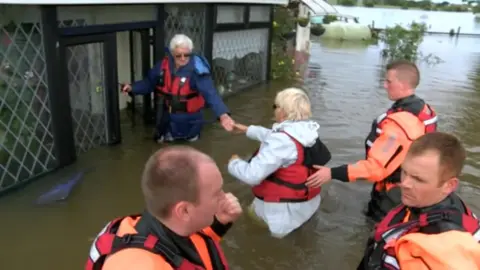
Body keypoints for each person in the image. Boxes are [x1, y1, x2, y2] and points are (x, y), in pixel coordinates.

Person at [306, 60, 438, 222]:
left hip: (394, 195)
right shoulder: (424, 109)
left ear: (403, 84)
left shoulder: (399, 125)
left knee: (378, 234)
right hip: (412, 188)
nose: (384, 86)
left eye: (389, 81)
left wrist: (331, 173)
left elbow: (376, 169)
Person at [86, 146, 243, 270]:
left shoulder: (156, 222)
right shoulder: (142, 266)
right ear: (184, 211)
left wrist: (219, 225)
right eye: (217, 193)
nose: (225, 197)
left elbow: (184, 245)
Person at [357, 132, 480, 270]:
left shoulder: (442, 247)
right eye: (404, 172)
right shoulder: (424, 201)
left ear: (449, 185)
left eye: (418, 179)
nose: (405, 184)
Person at [227, 88, 331, 238]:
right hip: (308, 205)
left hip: (282, 214)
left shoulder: (281, 141)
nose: (274, 110)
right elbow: (277, 138)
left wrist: (234, 163)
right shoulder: (308, 131)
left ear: (282, 112)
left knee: (253, 223)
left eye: (275, 106)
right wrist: (247, 130)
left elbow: (252, 175)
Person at [122, 34, 234, 143]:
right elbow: (149, 83)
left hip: (190, 121)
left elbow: (211, 94)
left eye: (186, 55)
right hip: (167, 119)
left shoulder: (197, 70)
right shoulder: (162, 66)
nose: (183, 58)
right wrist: (132, 88)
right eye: (178, 55)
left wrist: (223, 115)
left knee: (190, 153)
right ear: (172, 54)